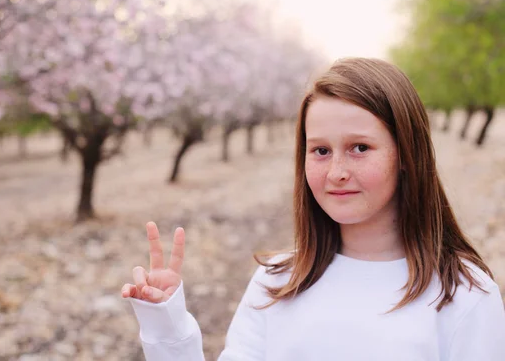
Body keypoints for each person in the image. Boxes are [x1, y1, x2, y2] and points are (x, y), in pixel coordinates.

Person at [120, 57, 505, 360]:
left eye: (360, 148)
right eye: (321, 150)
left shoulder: (464, 295)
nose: (337, 172)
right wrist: (167, 328)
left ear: (405, 153)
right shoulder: (275, 282)